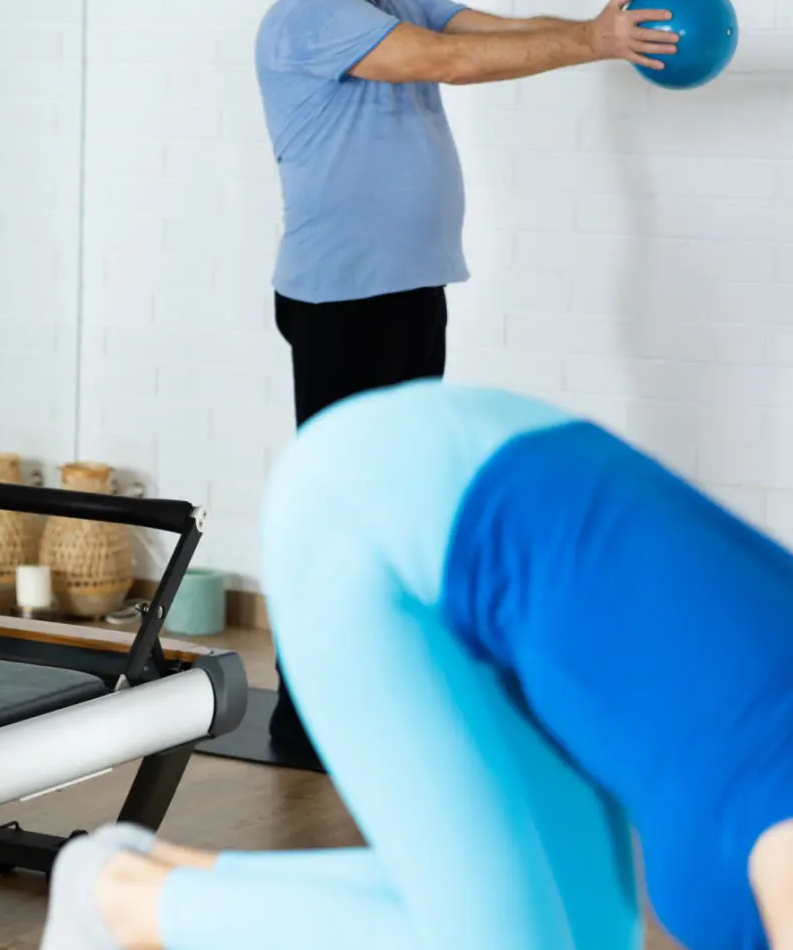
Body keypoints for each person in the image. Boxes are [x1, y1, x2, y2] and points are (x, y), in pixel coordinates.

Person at [39, 380, 793, 950]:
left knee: (584, 934)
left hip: (510, 483)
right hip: (382, 510)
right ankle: (116, 899)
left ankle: (147, 870)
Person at [252, 0, 681, 762]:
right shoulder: (306, 20)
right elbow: (451, 62)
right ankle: (305, 719)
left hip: (409, 291)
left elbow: (503, 28)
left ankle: (383, 694)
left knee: (404, 499)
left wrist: (603, 27)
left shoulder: (396, 0)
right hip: (340, 304)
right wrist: (593, 46)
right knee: (343, 505)